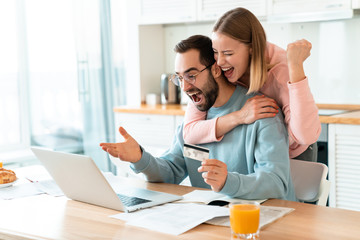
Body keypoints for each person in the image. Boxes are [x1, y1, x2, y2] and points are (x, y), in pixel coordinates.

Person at [100, 35, 296, 201]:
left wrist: (229, 181)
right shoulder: (195, 120)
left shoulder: (261, 111)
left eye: (191, 75)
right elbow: (172, 170)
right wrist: (141, 158)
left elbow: (276, 183)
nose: (184, 87)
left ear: (216, 69)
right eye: (179, 78)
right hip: (211, 220)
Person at [182, 7, 321, 162]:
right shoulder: (217, 67)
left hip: (292, 153)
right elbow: (189, 132)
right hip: (253, 153)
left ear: (252, 49)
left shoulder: (280, 70)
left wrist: (295, 66)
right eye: (216, 51)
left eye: (228, 53)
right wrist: (240, 116)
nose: (220, 61)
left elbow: (305, 135)